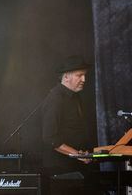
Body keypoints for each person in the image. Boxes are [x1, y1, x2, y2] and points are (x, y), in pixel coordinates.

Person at [41, 55, 95, 195]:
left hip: (75, 167)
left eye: (84, 75)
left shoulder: (75, 97)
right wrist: (77, 154)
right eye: (79, 75)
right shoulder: (55, 99)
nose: (84, 80)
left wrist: (81, 153)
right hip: (61, 171)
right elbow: (50, 138)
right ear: (66, 77)